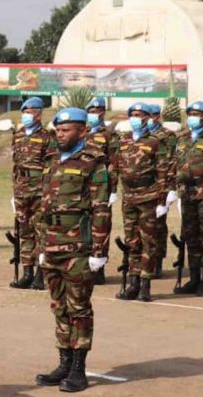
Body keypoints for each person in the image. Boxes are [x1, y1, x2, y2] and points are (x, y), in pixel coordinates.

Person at [34, 108, 110, 393]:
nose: (60, 134)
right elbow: (44, 205)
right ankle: (63, 362)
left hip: (78, 246)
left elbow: (101, 208)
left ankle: (79, 369)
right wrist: (41, 245)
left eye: (66, 130)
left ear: (82, 131)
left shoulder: (94, 162)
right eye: (59, 129)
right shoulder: (51, 159)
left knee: (79, 308)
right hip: (51, 243)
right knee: (59, 306)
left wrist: (98, 251)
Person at [115, 103, 169, 302]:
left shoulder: (155, 142)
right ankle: (133, 282)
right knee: (132, 241)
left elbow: (162, 172)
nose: (135, 118)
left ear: (147, 118)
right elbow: (116, 167)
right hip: (128, 197)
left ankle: (145, 284)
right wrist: (113, 191)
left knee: (149, 241)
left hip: (148, 196)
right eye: (133, 114)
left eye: (139, 115)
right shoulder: (124, 140)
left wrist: (162, 199)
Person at [10, 97, 58, 290]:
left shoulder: (48, 137)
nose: (27, 115)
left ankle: (41, 273)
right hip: (22, 189)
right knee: (24, 231)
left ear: (39, 113)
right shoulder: (18, 134)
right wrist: (14, 192)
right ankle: (27, 271)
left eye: (31, 111)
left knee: (42, 232)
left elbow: (52, 167)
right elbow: (16, 165)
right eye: (25, 111)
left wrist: (48, 193)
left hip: (40, 190)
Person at [173, 101, 203, 295]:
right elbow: (175, 165)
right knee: (190, 236)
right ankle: (194, 278)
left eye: (197, 113)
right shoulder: (181, 140)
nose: (193, 117)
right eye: (191, 113)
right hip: (186, 194)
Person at [84, 97, 119, 284]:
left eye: (98, 110)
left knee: (101, 227)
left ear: (103, 112)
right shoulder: (81, 132)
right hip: (82, 186)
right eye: (91, 110)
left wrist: (113, 189)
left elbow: (114, 164)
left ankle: (99, 268)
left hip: (101, 187)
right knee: (82, 226)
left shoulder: (110, 135)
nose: (94, 113)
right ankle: (84, 266)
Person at [146, 103, 178, 278]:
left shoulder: (167, 135)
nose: (151, 119)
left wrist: (170, 188)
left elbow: (173, 161)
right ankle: (143, 262)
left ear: (158, 116)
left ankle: (157, 261)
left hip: (160, 186)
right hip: (141, 188)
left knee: (158, 226)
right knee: (140, 227)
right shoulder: (139, 136)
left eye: (153, 115)